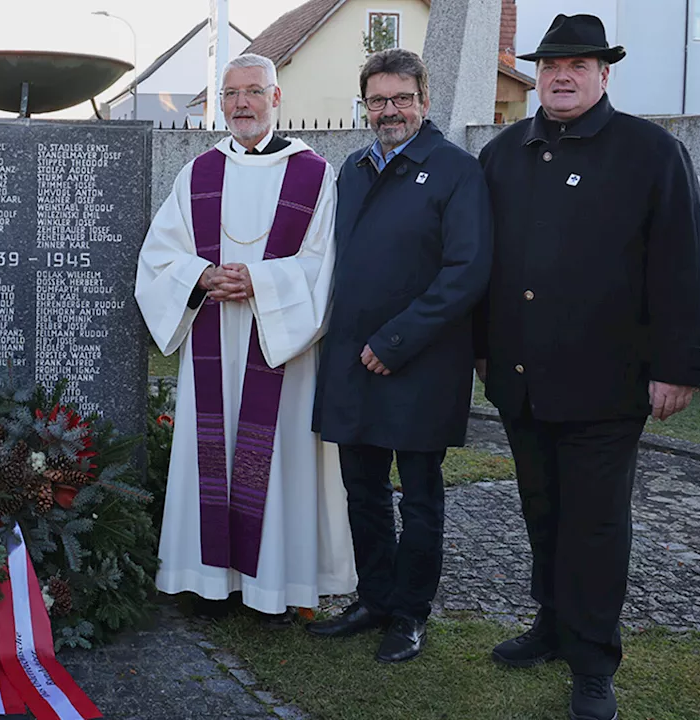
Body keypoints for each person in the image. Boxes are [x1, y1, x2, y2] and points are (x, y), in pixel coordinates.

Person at [475, 14, 700, 720]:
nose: (562, 75)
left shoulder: (650, 151)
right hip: (519, 378)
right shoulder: (503, 152)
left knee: (597, 527)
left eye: (578, 64)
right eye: (550, 65)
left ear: (605, 74)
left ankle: (592, 661)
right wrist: (481, 350)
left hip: (607, 384)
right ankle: (551, 627)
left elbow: (683, 264)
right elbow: (483, 265)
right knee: (542, 513)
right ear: (537, 77)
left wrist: (680, 366)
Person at [135, 53, 356, 625]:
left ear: (276, 98)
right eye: (231, 94)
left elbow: (324, 266)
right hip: (213, 332)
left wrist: (257, 279)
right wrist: (199, 276)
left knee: (274, 456)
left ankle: (270, 588)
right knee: (212, 451)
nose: (241, 104)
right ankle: (208, 582)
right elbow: (160, 255)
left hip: (280, 342)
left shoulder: (315, 175)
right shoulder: (198, 173)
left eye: (253, 92)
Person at [306, 49, 492, 663]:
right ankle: (374, 598)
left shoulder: (456, 170)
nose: (390, 110)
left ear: (425, 101)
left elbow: (466, 273)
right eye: (379, 100)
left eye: (402, 98)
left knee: (419, 496)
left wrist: (395, 343)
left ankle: (410, 614)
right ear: (365, 104)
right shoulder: (352, 168)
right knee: (362, 488)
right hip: (353, 360)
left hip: (420, 363)